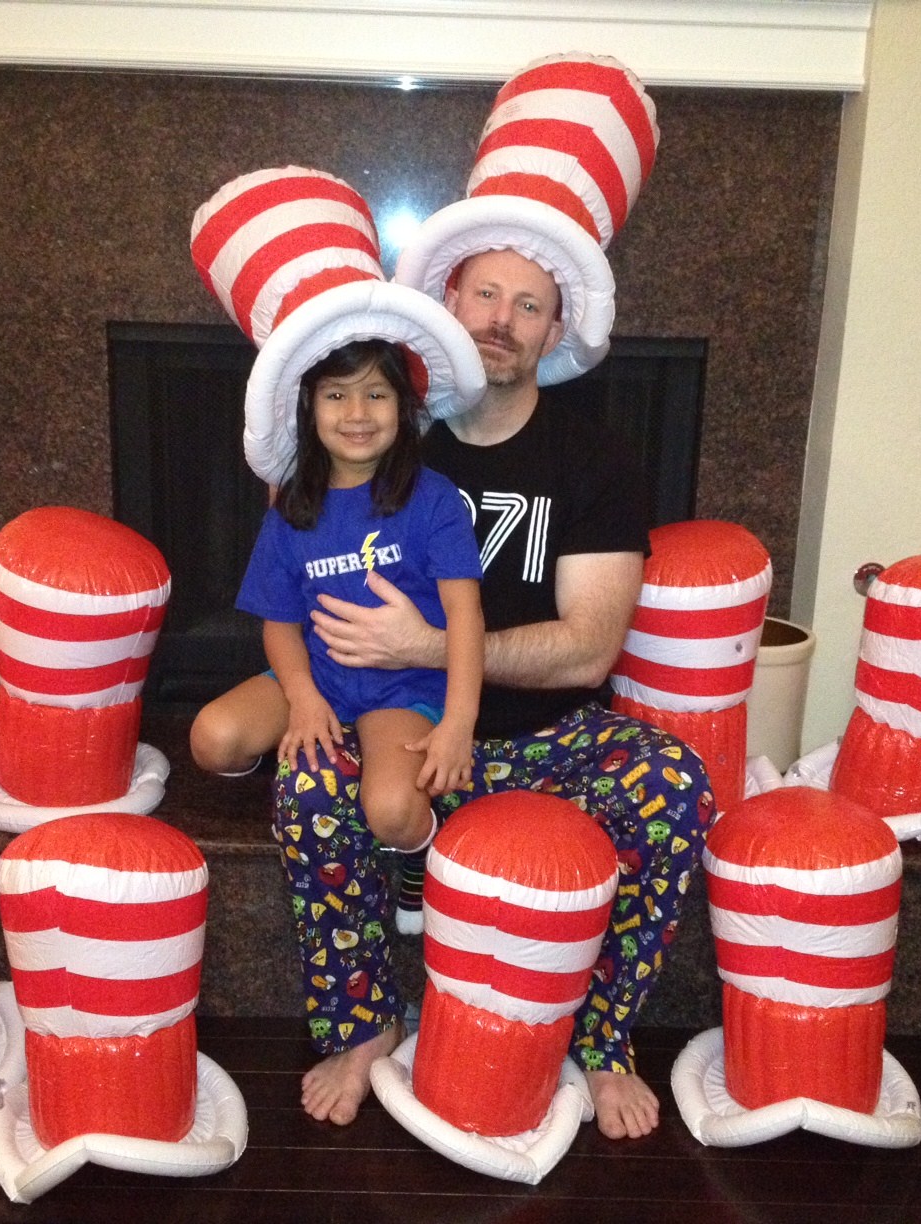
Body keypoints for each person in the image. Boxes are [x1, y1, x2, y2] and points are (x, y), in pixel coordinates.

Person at [273, 247, 716, 1139]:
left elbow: (590, 650)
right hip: (402, 723)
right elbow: (298, 572)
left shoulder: (594, 458)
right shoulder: (383, 436)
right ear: (449, 298)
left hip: (555, 737)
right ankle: (364, 1025)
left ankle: (601, 1039)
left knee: (674, 785)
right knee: (309, 785)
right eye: (484, 293)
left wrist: (426, 643)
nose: (500, 320)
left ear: (555, 332)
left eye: (528, 305)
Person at [190, 338, 485, 927]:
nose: (356, 413)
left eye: (376, 395)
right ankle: (300, 757)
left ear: (404, 408)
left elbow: (466, 616)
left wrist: (458, 723)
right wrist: (302, 696)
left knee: (391, 812)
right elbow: (279, 624)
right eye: (336, 396)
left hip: (400, 688)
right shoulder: (291, 509)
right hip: (321, 673)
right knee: (212, 738)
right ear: (310, 406)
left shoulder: (433, 499)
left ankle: (423, 849)